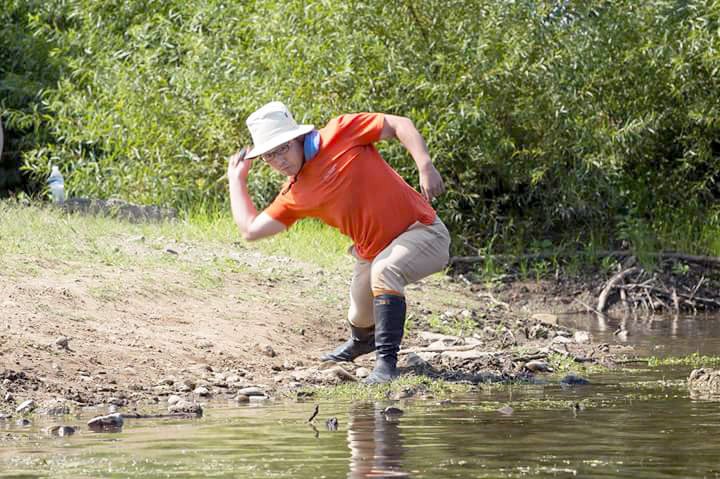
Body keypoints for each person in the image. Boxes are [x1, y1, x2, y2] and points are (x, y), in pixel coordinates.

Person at [227, 101, 450, 384]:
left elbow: (399, 124)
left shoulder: (341, 131)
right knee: (359, 314)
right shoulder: (295, 194)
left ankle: (386, 365)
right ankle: (362, 342)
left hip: (424, 232)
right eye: (270, 155)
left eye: (283, 148)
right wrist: (236, 180)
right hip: (371, 253)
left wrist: (425, 165)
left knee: (385, 270)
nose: (280, 160)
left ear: (298, 139)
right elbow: (250, 230)